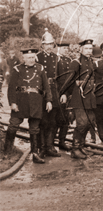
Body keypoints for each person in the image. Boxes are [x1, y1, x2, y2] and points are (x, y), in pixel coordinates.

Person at [3, 48, 52, 163]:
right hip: (20, 102)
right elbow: (11, 89)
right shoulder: (17, 69)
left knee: (34, 128)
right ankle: (7, 151)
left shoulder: (40, 68)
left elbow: (46, 86)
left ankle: (35, 154)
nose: (31, 59)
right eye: (28, 57)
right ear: (23, 58)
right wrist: (13, 103)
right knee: (13, 125)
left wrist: (49, 100)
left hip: (36, 102)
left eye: (33, 57)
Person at [60, 39, 97, 159]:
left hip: (89, 97)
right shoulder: (76, 62)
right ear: (81, 49)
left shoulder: (90, 62)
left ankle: (80, 146)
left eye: (90, 48)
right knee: (82, 123)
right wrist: (64, 93)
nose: (88, 51)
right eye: (86, 48)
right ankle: (75, 149)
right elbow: (68, 80)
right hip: (79, 98)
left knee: (89, 122)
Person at [36, 29, 61, 157]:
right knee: (42, 121)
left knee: (53, 121)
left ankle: (50, 146)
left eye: (51, 44)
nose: (49, 46)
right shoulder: (37, 57)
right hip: (41, 92)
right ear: (42, 45)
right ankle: (42, 148)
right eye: (47, 44)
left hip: (54, 91)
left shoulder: (56, 58)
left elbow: (61, 77)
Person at [54, 41, 73, 151]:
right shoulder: (55, 60)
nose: (66, 50)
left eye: (67, 48)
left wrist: (67, 93)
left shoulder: (69, 61)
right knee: (56, 119)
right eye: (63, 48)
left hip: (67, 94)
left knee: (66, 119)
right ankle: (50, 143)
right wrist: (61, 94)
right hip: (57, 93)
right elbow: (56, 80)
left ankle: (62, 141)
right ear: (58, 48)